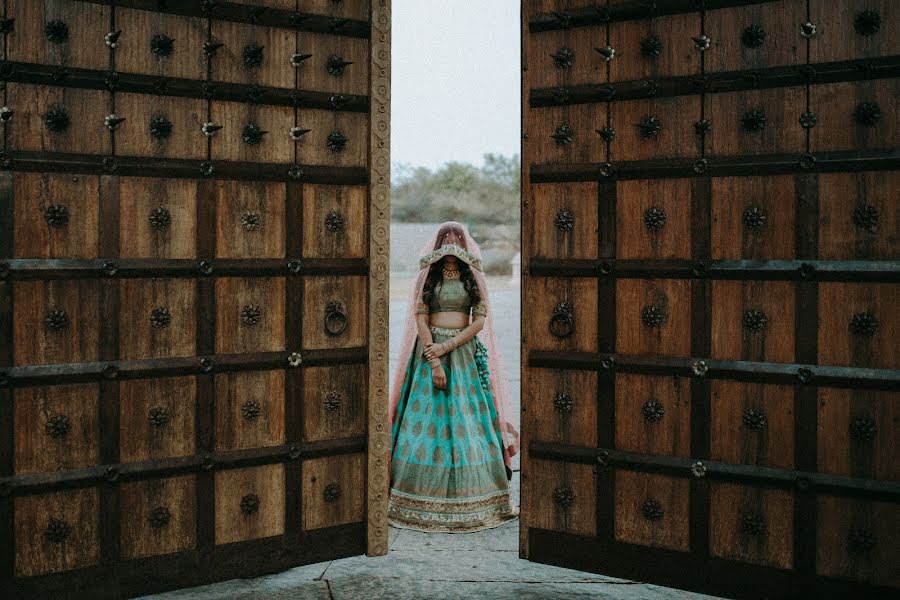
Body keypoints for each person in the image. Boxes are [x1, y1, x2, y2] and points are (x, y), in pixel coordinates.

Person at [388, 221, 520, 532]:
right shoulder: (429, 278)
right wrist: (433, 357)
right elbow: (420, 316)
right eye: (445, 238)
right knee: (426, 419)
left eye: (456, 237)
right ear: (437, 244)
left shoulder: (471, 278)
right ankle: (413, 499)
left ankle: (479, 499)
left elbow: (479, 322)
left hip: (462, 355)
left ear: (464, 245)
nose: (450, 242)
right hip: (429, 352)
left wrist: (448, 345)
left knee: (468, 418)